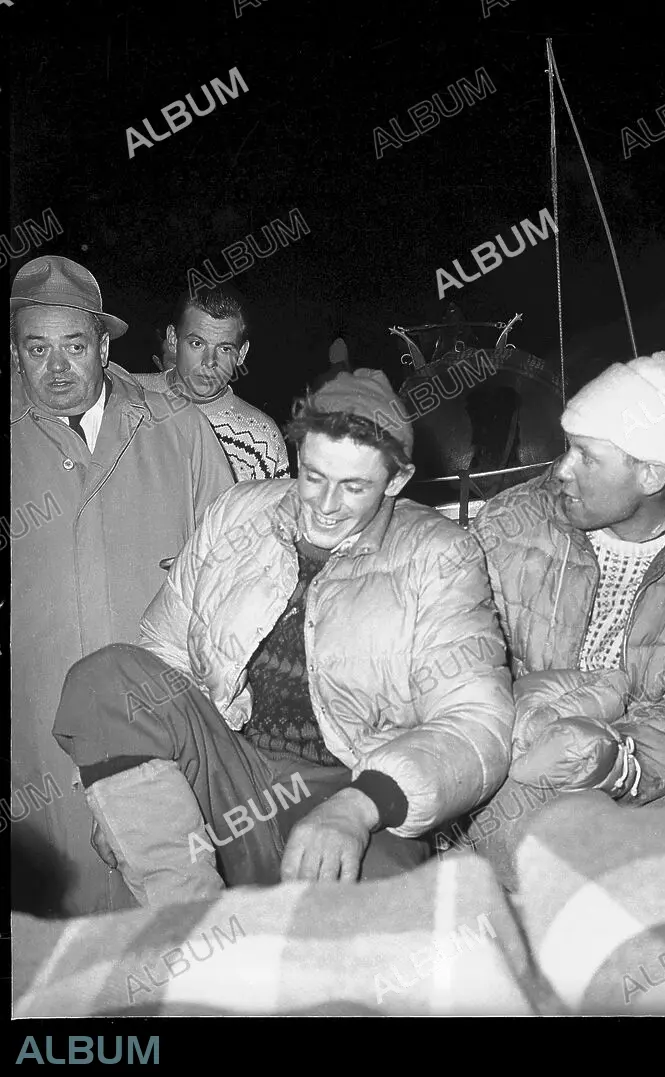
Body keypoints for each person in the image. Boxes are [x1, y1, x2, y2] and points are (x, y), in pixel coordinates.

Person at [51, 369, 514, 905]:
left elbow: (477, 723)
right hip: (230, 776)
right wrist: (126, 796)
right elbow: (163, 656)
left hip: (352, 790)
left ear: (395, 480)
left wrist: (360, 807)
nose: (325, 504)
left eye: (354, 486)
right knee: (105, 677)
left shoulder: (442, 556)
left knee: (373, 928)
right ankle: (193, 925)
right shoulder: (236, 514)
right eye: (313, 476)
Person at [468, 351, 665, 831]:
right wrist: (528, 728)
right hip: (520, 764)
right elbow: (463, 662)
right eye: (569, 447)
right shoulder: (508, 526)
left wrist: (621, 762)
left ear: (652, 475)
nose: (562, 469)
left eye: (588, 457)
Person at [10, 255, 235, 917]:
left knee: (177, 922)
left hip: (163, 732)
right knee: (66, 936)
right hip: (37, 749)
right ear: (14, 353)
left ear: (104, 347)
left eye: (75, 347)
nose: (57, 368)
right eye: (37, 349)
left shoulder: (179, 432)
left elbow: (234, 585)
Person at [133, 285, 290, 481]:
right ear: (173, 339)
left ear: (241, 353)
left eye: (225, 349)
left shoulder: (262, 440)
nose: (209, 362)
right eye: (197, 344)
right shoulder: (127, 395)